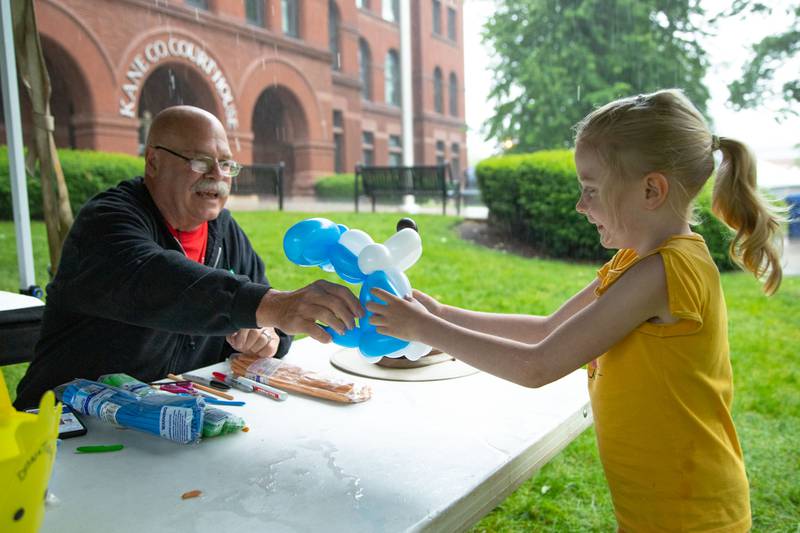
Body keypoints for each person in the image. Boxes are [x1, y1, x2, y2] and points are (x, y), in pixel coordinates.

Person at [367, 89, 784, 532]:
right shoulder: (635, 262)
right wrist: (443, 314)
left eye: (591, 190)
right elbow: (548, 329)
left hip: (690, 513)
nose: (580, 206)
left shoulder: (665, 271)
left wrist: (425, 329)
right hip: (662, 504)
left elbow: (538, 365)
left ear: (651, 189)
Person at [15, 105, 362, 408]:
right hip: (63, 427)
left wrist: (268, 337)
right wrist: (270, 306)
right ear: (153, 161)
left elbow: (268, 317)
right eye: (200, 161)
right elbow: (154, 280)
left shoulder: (225, 233)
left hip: (164, 427)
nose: (216, 175)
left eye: (226, 164)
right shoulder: (108, 220)